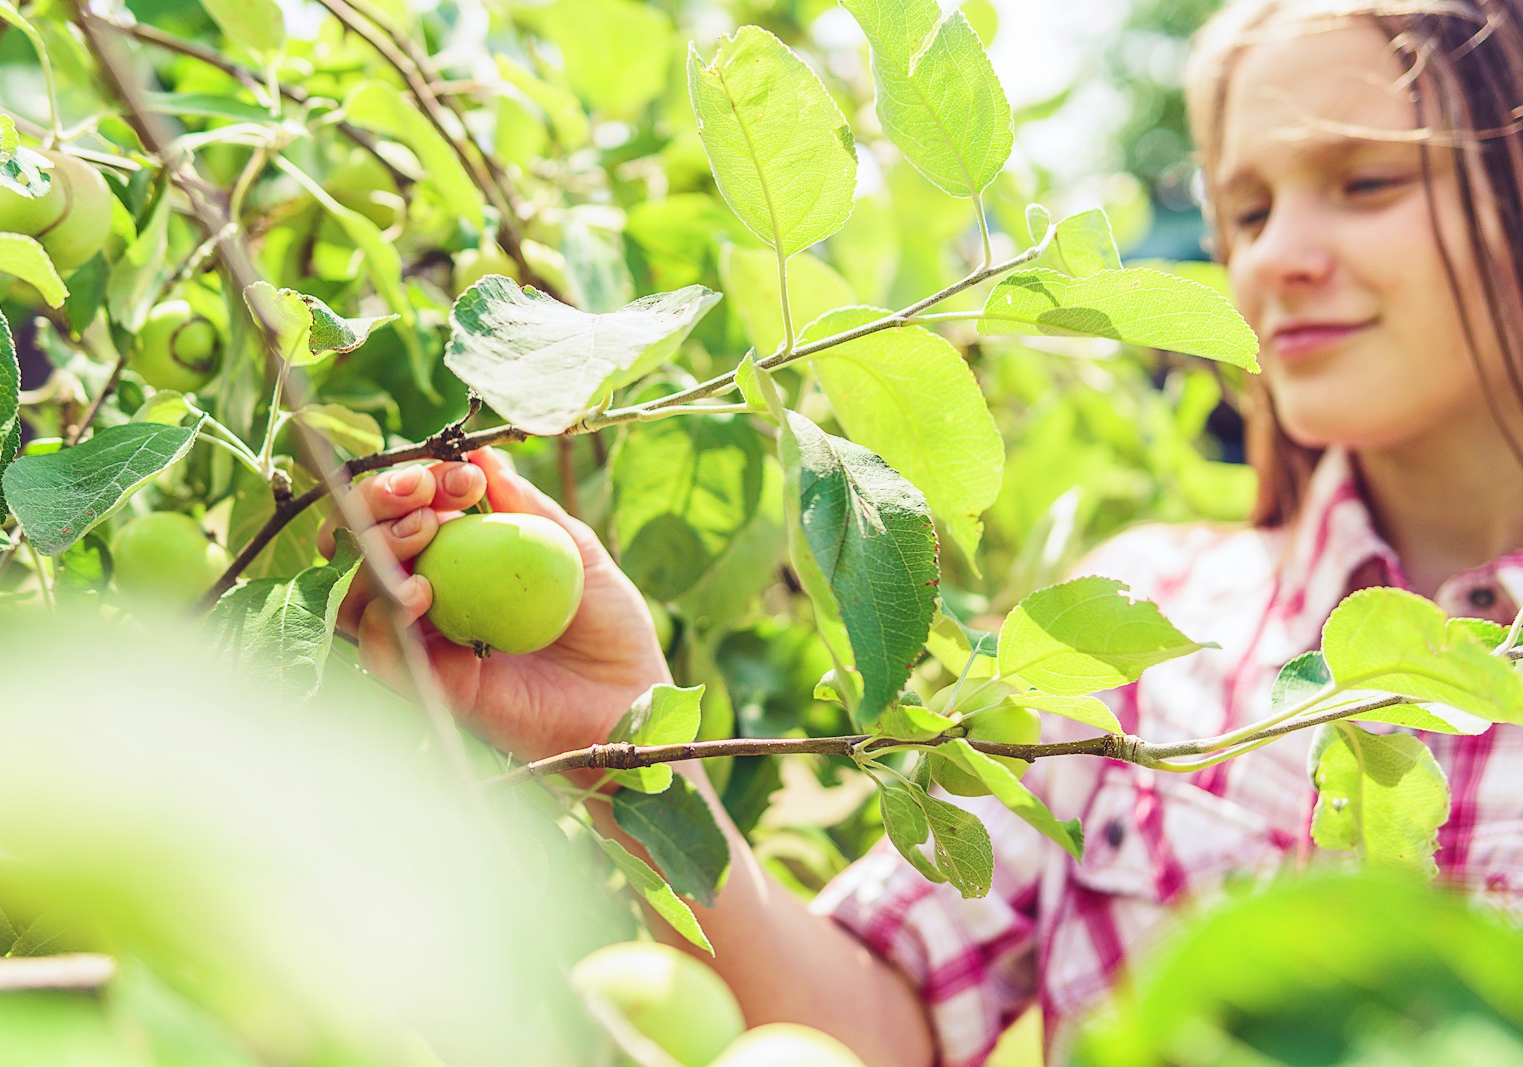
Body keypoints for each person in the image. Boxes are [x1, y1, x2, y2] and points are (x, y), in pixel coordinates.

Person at [326, 0, 1523, 1063]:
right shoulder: (1144, 624)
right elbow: (869, 1028)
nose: (1279, 260)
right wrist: (620, 737)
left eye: (1366, 183)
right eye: (1246, 210)